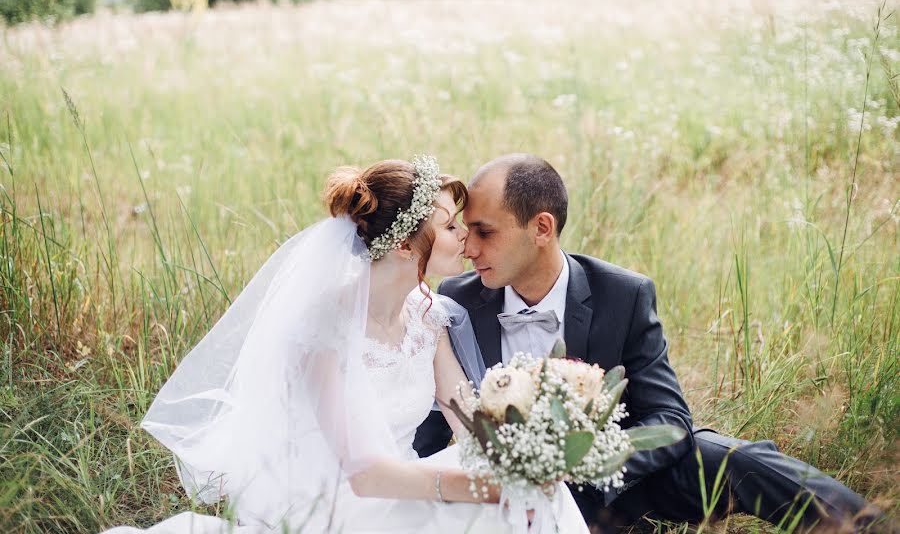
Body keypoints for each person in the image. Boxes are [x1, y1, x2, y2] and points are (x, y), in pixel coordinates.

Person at [101, 156, 588, 534]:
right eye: (448, 226)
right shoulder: (325, 329)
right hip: (337, 508)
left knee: (542, 492)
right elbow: (365, 475)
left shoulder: (427, 312)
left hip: (403, 485)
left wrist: (521, 455)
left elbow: (463, 407)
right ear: (403, 245)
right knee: (491, 508)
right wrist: (476, 487)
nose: (464, 236)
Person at [415, 154, 886, 533]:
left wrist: (584, 463)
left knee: (729, 456)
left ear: (542, 228)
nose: (468, 248)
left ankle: (867, 525)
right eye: (466, 229)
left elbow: (670, 418)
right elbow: (434, 421)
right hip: (505, 498)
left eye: (485, 232)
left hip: (618, 488)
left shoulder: (623, 293)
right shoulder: (457, 300)